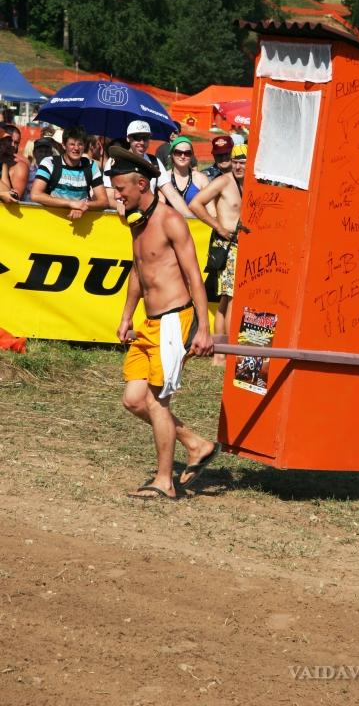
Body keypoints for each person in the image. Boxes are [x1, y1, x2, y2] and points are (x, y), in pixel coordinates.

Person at [108, 146, 218, 499]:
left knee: (157, 403)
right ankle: (196, 444)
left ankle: (164, 482)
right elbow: (138, 271)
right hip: (150, 322)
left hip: (174, 321)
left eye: (121, 189)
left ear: (141, 184)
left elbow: (194, 276)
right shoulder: (135, 220)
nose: (117, 195)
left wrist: (204, 328)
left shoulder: (170, 220)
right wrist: (127, 315)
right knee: (133, 399)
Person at [189, 144, 247, 365]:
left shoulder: (249, 184)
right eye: (235, 162)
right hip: (227, 247)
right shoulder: (223, 181)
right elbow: (195, 204)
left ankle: (220, 355)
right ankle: (229, 353)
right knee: (233, 298)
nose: (238, 167)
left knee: (225, 299)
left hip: (241, 246)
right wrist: (219, 227)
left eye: (243, 162)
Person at [103, 120, 189, 218]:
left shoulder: (155, 162)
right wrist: (118, 205)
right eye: (137, 138)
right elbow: (109, 194)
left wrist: (192, 218)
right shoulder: (114, 161)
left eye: (145, 138)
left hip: (149, 219)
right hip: (123, 219)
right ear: (128, 138)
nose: (142, 142)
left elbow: (172, 195)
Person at [30, 125, 108, 219]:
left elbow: (104, 201)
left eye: (80, 144)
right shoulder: (49, 163)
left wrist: (82, 206)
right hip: (51, 220)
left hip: (81, 222)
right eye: (72, 144)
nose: (76, 148)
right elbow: (35, 195)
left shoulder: (90, 165)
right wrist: (71, 204)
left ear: (84, 146)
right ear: (63, 145)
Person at [167, 136, 212, 218]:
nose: (182, 156)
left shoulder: (201, 179)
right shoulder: (164, 177)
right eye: (178, 152)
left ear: (192, 155)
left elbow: (212, 211)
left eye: (187, 153)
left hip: (196, 224)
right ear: (172, 154)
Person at [0, 122, 30, 199]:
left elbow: (15, 198)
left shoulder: (20, 166)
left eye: (16, 143)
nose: (13, 145)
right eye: (9, 141)